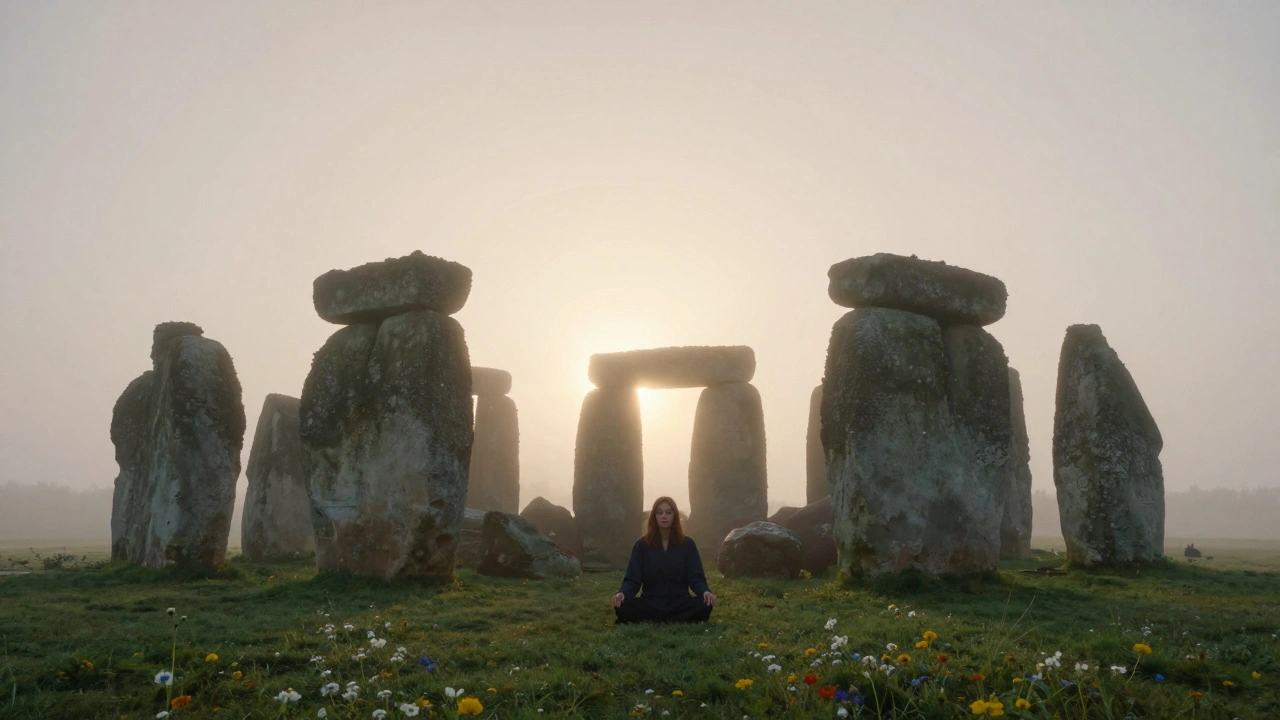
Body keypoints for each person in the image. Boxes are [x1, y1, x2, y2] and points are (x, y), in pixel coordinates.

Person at [611, 496, 716, 624]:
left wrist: (705, 591)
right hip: (650, 603)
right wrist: (622, 593)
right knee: (623, 605)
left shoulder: (688, 544)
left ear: (675, 516)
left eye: (668, 512)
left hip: (680, 603)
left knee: (705, 604)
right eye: (659, 513)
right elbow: (633, 580)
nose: (664, 516)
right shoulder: (641, 545)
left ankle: (661, 619)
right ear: (654, 516)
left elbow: (696, 578)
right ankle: (671, 619)